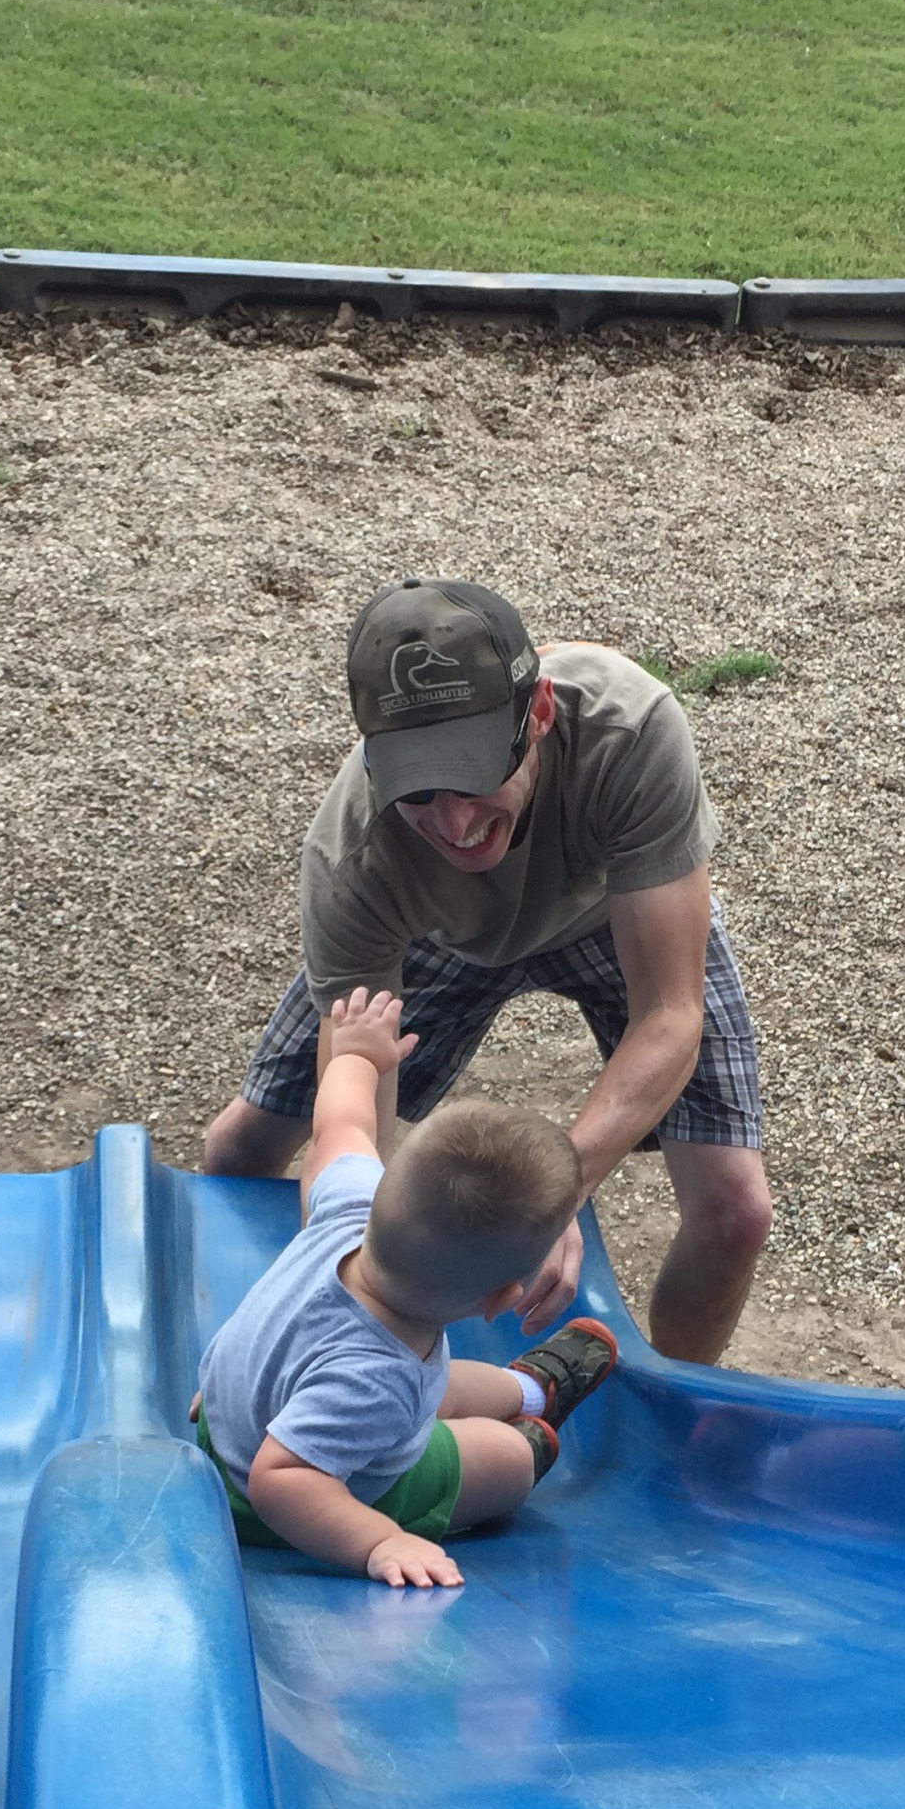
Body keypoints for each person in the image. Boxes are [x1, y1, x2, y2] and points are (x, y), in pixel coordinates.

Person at [201, 578, 773, 1363]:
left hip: (612, 913)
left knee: (737, 1211)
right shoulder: (354, 857)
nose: (455, 822)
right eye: (418, 789)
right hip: (434, 933)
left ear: (537, 713)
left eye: (473, 776)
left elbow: (670, 1015)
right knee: (240, 1152)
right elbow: (357, 1150)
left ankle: (676, 1404)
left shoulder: (630, 730)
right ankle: (244, 1354)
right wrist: (370, 1329)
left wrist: (556, 1193)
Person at [195, 985, 620, 1589]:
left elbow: (340, 1124)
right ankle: (526, 1432)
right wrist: (380, 1542)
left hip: (230, 1413)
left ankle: (530, 1390)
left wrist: (356, 1056)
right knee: (505, 1459)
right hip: (271, 1496)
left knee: (437, 1381)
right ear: (501, 1299)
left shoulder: (350, 1204)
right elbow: (281, 1477)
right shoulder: (373, 1378)